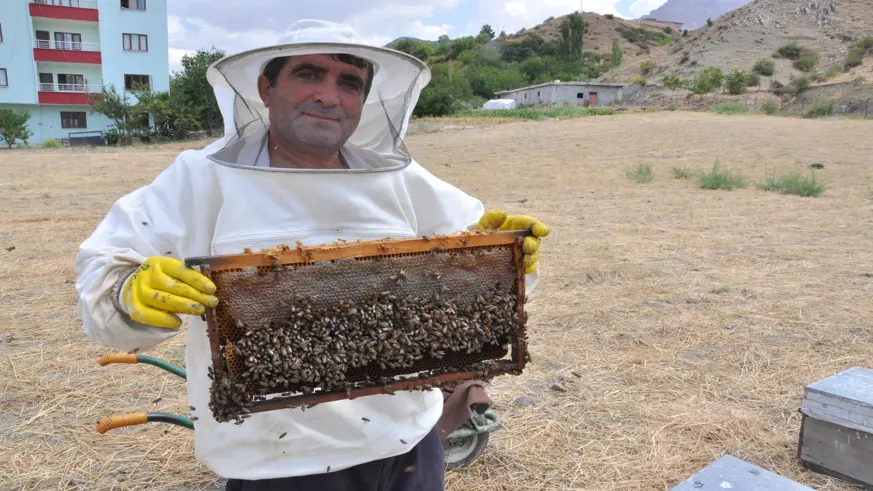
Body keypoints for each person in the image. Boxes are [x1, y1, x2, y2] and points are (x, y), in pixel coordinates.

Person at [74, 19, 550, 491]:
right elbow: (104, 277)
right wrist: (128, 295)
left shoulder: (401, 180)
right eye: (308, 74)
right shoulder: (200, 179)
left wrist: (500, 264)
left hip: (407, 439)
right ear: (266, 87)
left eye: (349, 83)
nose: (329, 95)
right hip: (279, 461)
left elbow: (486, 293)